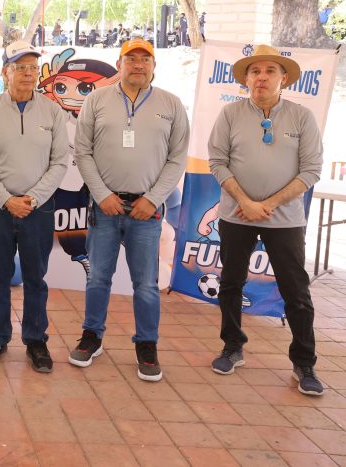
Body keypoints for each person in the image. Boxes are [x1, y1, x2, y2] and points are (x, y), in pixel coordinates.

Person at [68, 38, 188, 382]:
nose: (138, 65)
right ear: (119, 64)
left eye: (144, 59)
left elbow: (177, 158)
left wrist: (153, 198)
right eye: (131, 58)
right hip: (105, 207)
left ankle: (146, 345)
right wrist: (101, 194)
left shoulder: (171, 104)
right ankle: (92, 336)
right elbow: (83, 151)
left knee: (146, 284)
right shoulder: (96, 100)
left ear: (154, 66)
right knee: (98, 278)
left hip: (146, 211)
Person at [207, 45, 325, 395]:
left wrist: (267, 204)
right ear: (246, 79)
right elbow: (217, 161)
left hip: (284, 220)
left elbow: (311, 170)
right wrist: (246, 202)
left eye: (270, 70)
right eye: (255, 71)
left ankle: (304, 363)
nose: (261, 77)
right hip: (236, 215)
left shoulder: (302, 117)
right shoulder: (230, 114)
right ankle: (232, 347)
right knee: (231, 283)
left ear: (283, 78)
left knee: (296, 291)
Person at [0, 40, 68, 370]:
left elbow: (59, 162)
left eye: (32, 68)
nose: (28, 74)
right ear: (5, 72)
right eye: (20, 68)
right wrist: (6, 200)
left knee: (35, 279)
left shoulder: (52, 112)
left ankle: (36, 340)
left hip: (38, 209)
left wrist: (33, 198)